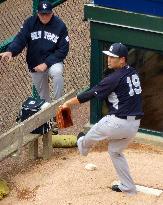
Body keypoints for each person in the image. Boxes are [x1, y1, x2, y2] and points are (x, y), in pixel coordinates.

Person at [61, 43, 143, 194]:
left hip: (118, 122)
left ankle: (82, 145)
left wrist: (68, 103)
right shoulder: (133, 72)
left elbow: (90, 94)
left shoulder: (114, 78)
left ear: (123, 60)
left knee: (95, 130)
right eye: (109, 56)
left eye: (113, 57)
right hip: (134, 125)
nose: (109, 59)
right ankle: (128, 187)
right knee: (115, 151)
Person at [0, 1, 69, 102]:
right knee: (43, 99)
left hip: (53, 62)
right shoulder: (30, 23)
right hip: (35, 65)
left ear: (52, 13)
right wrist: (11, 50)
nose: (45, 16)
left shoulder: (60, 26)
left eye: (47, 14)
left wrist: (46, 63)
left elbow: (63, 49)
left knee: (57, 72)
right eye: (42, 14)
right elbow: (20, 38)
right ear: (38, 13)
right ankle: (48, 114)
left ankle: (59, 104)